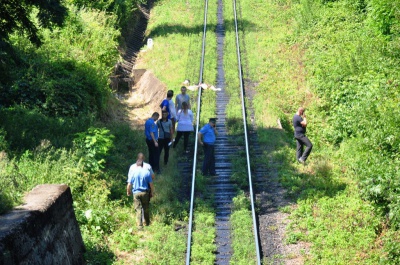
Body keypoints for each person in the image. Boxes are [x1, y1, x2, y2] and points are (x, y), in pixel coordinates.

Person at [126, 159, 155, 229]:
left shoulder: (133, 173)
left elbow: (129, 184)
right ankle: (147, 223)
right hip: (145, 192)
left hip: (136, 193)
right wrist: (152, 192)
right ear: (142, 165)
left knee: (138, 209)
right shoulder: (147, 172)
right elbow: (151, 184)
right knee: (146, 208)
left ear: (136, 165)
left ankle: (139, 226)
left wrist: (128, 191)